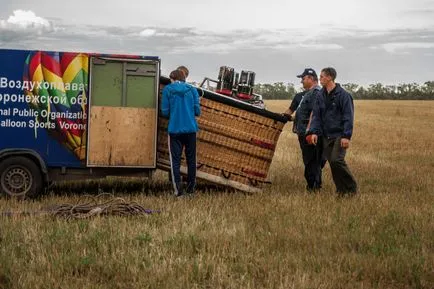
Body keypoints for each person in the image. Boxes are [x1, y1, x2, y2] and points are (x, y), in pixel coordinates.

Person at [308, 67, 358, 196]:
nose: (320, 79)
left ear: (330, 77)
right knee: (332, 163)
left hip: (339, 135)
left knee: (336, 160)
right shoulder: (320, 95)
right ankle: (341, 191)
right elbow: (316, 115)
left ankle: (351, 188)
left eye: (322, 76)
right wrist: (313, 131)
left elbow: (348, 116)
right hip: (325, 135)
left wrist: (346, 136)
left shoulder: (344, 95)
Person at [161, 69, 201, 197]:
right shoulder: (193, 90)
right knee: (191, 160)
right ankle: (191, 190)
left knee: (175, 161)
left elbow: (165, 112)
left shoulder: (168, 90)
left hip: (175, 130)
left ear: (172, 78)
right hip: (191, 130)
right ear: (184, 78)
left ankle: (178, 192)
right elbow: (197, 112)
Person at [293, 68, 324, 191]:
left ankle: (314, 187)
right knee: (310, 160)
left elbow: (315, 113)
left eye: (303, 78)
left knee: (312, 161)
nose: (301, 81)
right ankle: (313, 185)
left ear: (311, 79)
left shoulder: (316, 93)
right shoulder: (308, 93)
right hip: (304, 131)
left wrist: (311, 131)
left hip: (309, 133)